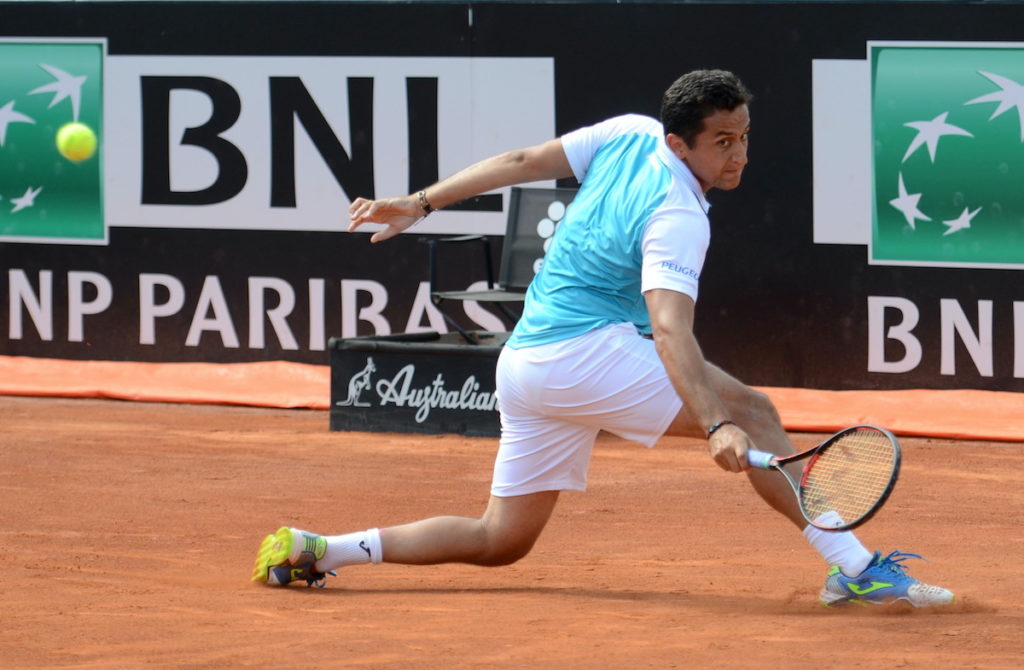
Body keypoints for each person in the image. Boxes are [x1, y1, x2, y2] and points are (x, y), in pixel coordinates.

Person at [252, 69, 953, 608]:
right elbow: (673, 328)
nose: (739, 154)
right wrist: (715, 423)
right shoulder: (680, 214)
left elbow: (524, 157)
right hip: (583, 356)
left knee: (501, 540)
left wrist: (423, 200)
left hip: (526, 364)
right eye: (722, 142)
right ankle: (856, 571)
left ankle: (322, 549)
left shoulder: (626, 133)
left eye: (743, 136)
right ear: (679, 143)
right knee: (755, 412)